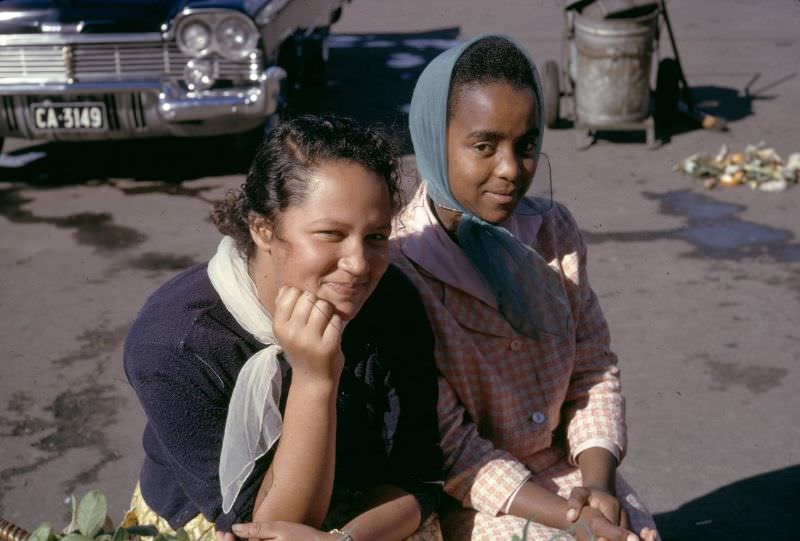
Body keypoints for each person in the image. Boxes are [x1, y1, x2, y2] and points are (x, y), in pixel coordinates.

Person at [390, 35, 661, 541]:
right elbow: (450, 447)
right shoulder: (400, 269)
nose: (512, 169)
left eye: (527, 144)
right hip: (473, 499)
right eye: (484, 146)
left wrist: (598, 485)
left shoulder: (551, 230)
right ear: (432, 138)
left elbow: (593, 367)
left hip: (571, 475)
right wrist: (570, 519)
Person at [123, 115, 444, 541]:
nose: (359, 264)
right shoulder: (176, 344)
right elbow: (263, 528)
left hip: (369, 519)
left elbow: (417, 480)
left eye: (376, 236)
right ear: (263, 229)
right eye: (331, 234)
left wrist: (343, 540)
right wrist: (315, 378)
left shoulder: (393, 303)